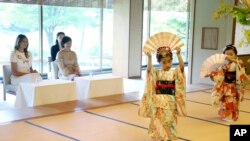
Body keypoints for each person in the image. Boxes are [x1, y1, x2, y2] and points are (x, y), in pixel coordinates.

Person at [138, 47, 187, 141]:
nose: (167, 64)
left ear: (172, 60)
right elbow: (149, 71)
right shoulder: (157, 73)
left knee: (169, 121)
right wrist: (149, 58)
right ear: (159, 62)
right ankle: (161, 137)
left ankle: (169, 138)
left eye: (169, 61)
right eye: (164, 62)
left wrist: (179, 54)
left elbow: (181, 68)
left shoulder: (174, 73)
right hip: (159, 102)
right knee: (158, 121)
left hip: (170, 102)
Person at [206, 44, 249, 121]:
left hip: (234, 86)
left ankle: (231, 116)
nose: (229, 56)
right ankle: (226, 115)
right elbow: (219, 73)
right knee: (225, 101)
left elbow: (241, 67)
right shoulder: (225, 65)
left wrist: (234, 61)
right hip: (226, 86)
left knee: (231, 100)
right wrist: (211, 74)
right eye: (227, 54)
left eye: (231, 54)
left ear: (235, 54)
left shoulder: (238, 62)